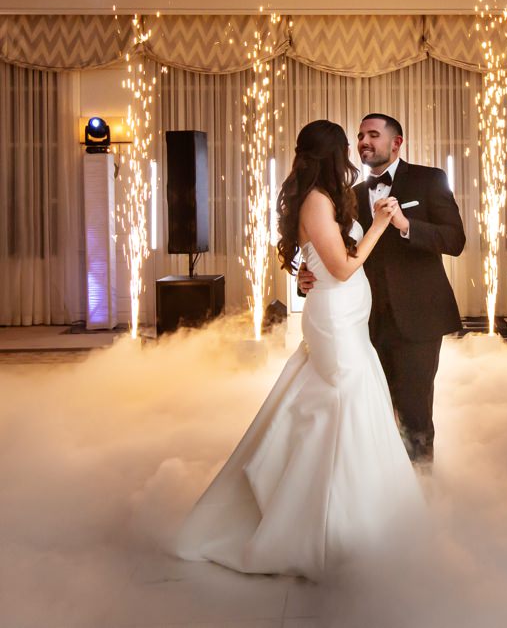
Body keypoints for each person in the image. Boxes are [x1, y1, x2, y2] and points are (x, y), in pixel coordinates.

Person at [177, 120, 424, 580]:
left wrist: (306, 273)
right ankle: (320, 526)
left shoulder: (324, 198)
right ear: (332, 155)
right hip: (334, 319)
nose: (354, 153)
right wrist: (382, 225)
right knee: (342, 402)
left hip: (345, 316)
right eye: (345, 148)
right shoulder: (315, 200)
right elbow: (345, 267)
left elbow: (321, 260)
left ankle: (355, 514)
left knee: (346, 404)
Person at [299, 113, 466, 464]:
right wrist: (306, 272)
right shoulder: (348, 196)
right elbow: (335, 251)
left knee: (415, 414)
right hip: (361, 325)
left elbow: (455, 240)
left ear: (397, 142)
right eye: (360, 135)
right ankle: (382, 489)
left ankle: (422, 493)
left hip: (417, 320)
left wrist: (406, 225)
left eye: (373, 134)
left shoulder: (429, 179)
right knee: (370, 414)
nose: (364, 141)